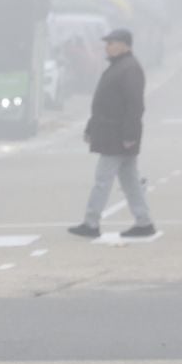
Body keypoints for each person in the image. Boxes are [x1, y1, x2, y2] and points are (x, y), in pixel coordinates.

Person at [69, 29, 155, 240]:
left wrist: (129, 135)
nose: (108, 47)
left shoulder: (129, 69)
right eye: (107, 43)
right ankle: (143, 222)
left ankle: (91, 223)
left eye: (112, 43)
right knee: (130, 181)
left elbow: (134, 105)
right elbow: (103, 104)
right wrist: (92, 127)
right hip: (112, 133)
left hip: (117, 135)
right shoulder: (119, 67)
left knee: (103, 180)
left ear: (125, 45)